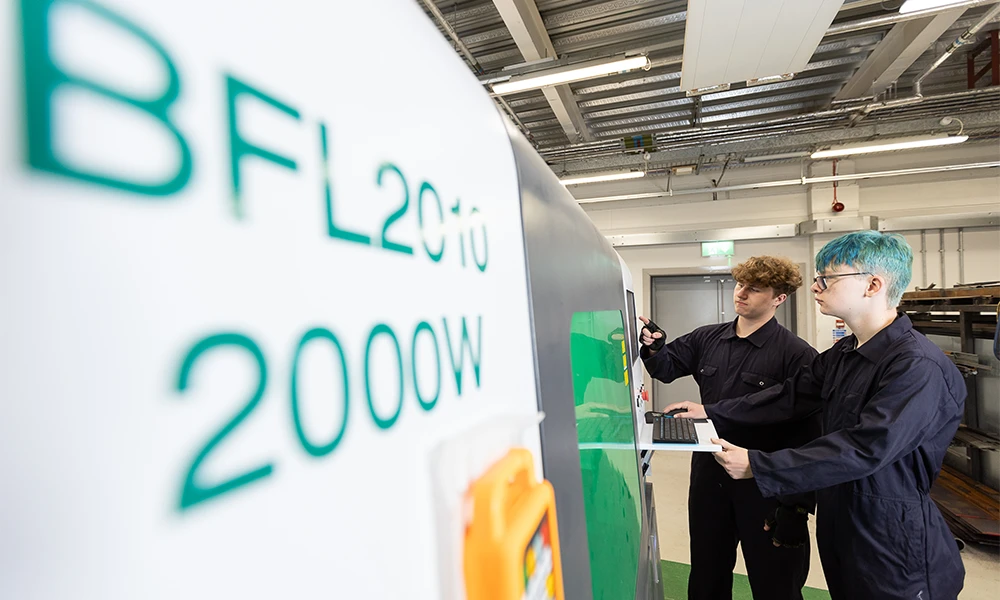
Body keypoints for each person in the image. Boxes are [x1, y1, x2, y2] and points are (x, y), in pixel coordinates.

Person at [669, 231, 966, 600]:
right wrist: (711, 412)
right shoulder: (846, 353)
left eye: (827, 278)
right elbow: (789, 396)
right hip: (842, 517)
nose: (814, 286)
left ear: (873, 285)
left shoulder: (916, 366)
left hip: (892, 534)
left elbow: (866, 446)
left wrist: (761, 467)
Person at [639, 256, 819, 600]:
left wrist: (797, 506)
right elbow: (666, 367)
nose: (742, 293)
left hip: (762, 483)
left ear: (779, 298)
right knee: (707, 572)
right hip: (710, 474)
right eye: (740, 284)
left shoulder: (797, 355)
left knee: (775, 581)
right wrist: (654, 346)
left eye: (755, 288)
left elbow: (808, 434)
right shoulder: (708, 338)